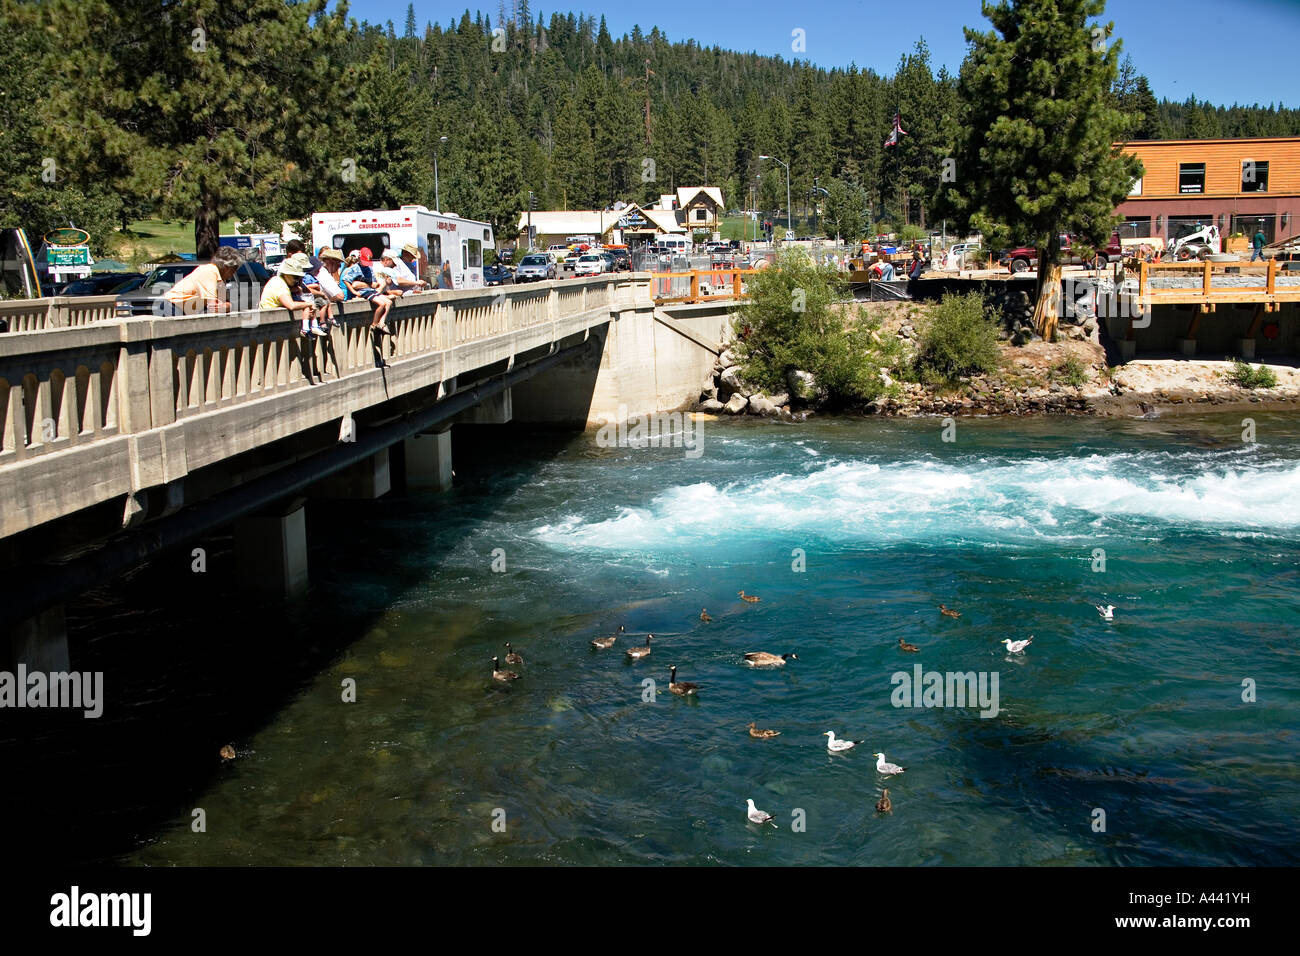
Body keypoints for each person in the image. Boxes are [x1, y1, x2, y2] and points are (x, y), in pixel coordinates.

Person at [161, 246, 243, 315]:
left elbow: (225, 303)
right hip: (172, 306)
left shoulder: (220, 279)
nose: (235, 272)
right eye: (235, 268)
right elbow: (213, 307)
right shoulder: (210, 271)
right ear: (226, 267)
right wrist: (225, 307)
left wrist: (226, 306)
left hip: (184, 308)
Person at [259, 252, 320, 332]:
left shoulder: (280, 281)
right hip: (269, 325)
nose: (297, 280)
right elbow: (291, 305)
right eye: (295, 277)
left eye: (299, 277)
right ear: (286, 274)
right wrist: (309, 304)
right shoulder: (279, 285)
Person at [341, 248, 393, 335]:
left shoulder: (369, 268)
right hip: (364, 291)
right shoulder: (355, 268)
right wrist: (353, 291)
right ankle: (374, 324)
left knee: (389, 302)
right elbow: (345, 279)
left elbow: (374, 282)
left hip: (371, 290)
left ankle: (382, 322)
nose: (365, 265)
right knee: (382, 304)